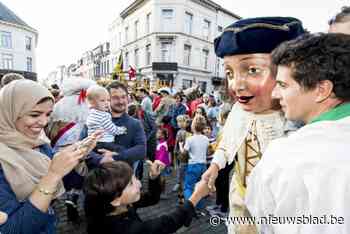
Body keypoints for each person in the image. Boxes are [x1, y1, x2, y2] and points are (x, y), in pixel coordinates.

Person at [201, 17, 305, 233]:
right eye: (229, 73)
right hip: (240, 198)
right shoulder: (238, 112)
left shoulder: (300, 120)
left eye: (252, 70)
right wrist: (214, 166)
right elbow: (227, 143)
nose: (236, 85)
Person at [246, 33, 350, 234]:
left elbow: (264, 222)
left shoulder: (283, 155)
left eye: (283, 85)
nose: (275, 94)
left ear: (322, 90)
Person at [0, 80, 99, 234]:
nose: (44, 122)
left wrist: (79, 152)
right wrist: (53, 176)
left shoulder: (38, 141)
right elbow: (11, 229)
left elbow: (58, 172)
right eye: (34, 114)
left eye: (48, 114)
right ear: (10, 112)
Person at [83, 160, 210, 234]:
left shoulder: (103, 201)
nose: (139, 184)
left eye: (135, 178)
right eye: (131, 184)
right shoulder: (127, 230)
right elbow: (169, 222)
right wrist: (197, 195)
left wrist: (153, 177)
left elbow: (151, 198)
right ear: (115, 200)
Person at [46, 77, 96, 223]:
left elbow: (49, 128)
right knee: (80, 176)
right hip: (80, 150)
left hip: (59, 150)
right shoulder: (87, 105)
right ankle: (75, 199)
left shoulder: (59, 105)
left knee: (67, 176)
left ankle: (69, 198)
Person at [85, 81, 146, 178]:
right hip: (99, 179)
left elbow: (141, 149)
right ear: (106, 99)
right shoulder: (93, 119)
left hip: (124, 179)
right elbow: (83, 147)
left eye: (123, 97)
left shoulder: (135, 123)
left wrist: (116, 157)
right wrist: (100, 159)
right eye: (115, 98)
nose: (121, 101)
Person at [86, 85, 127, 153]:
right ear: (92, 103)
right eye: (102, 100)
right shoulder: (104, 115)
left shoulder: (91, 113)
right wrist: (122, 130)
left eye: (108, 100)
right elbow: (112, 129)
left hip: (93, 143)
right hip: (105, 143)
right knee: (121, 150)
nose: (106, 103)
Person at [180, 115, 209, 209]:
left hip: (193, 165)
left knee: (188, 187)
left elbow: (184, 153)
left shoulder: (190, 139)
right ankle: (200, 206)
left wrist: (180, 146)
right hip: (203, 165)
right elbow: (207, 152)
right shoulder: (206, 139)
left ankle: (190, 207)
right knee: (200, 187)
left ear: (193, 126)